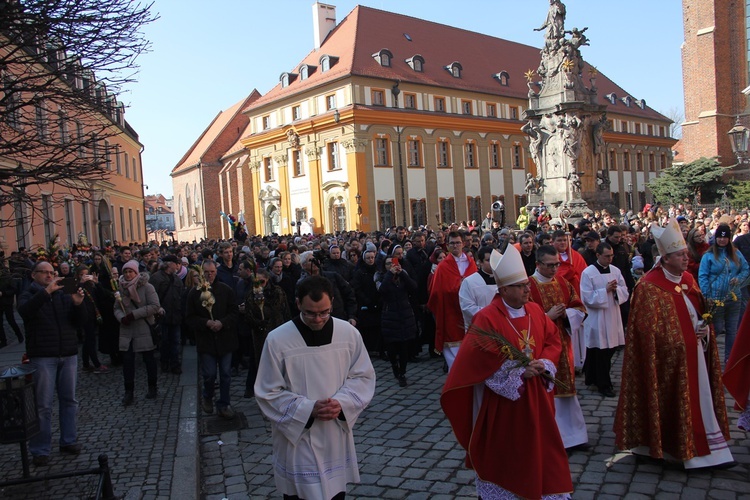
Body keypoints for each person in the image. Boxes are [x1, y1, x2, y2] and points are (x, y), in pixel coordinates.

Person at [441, 244, 573, 499]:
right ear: (503, 290)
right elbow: (476, 359)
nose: (527, 289)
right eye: (521, 286)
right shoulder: (487, 318)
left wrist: (544, 363)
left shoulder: (535, 310)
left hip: (538, 399)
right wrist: (516, 372)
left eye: (526, 284)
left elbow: (552, 340)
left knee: (542, 450)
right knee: (509, 455)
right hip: (505, 405)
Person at [614, 218, 734, 469]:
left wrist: (706, 332)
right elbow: (646, 332)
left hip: (696, 355)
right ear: (666, 257)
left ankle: (709, 447)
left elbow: (701, 314)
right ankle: (663, 447)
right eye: (680, 255)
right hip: (666, 362)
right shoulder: (648, 287)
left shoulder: (688, 280)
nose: (686, 259)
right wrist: (679, 342)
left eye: (686, 255)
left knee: (700, 399)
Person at [255, 276, 377, 499]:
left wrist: (340, 403)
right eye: (311, 313)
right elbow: (267, 391)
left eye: (325, 312)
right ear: (298, 303)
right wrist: (307, 409)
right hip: (297, 436)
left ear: (331, 301)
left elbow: (363, 376)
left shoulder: (348, 334)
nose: (319, 319)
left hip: (333, 432)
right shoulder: (278, 339)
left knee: (335, 493)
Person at [18, 261, 86, 466]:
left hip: (68, 353)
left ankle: (68, 440)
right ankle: (40, 449)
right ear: (34, 275)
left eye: (52, 273)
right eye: (45, 273)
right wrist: (46, 292)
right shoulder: (28, 295)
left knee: (69, 401)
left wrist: (78, 304)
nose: (50, 276)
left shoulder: (63, 294)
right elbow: (26, 312)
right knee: (43, 405)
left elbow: (79, 323)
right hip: (43, 355)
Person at [528, 244, 588, 450]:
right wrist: (547, 317)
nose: (554, 269)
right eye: (550, 265)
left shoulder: (563, 283)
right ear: (538, 264)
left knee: (567, 389)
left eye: (557, 265)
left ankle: (574, 437)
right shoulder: (528, 286)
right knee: (545, 392)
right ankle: (551, 438)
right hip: (540, 348)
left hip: (563, 343)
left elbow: (579, 306)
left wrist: (566, 314)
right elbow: (523, 320)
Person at [187, 260, 239, 419]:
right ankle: (207, 396)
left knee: (225, 374)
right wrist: (206, 323)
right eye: (207, 272)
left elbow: (234, 313)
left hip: (225, 339)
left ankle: (224, 403)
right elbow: (189, 318)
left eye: (212, 272)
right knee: (209, 374)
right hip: (206, 341)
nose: (210, 275)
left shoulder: (225, 290)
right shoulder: (194, 293)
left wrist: (222, 323)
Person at [580, 242, 628, 397]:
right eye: (607, 256)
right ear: (598, 255)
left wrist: (616, 291)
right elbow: (586, 297)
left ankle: (592, 377)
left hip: (612, 315)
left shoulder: (615, 270)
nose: (610, 259)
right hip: (597, 318)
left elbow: (624, 290)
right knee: (598, 350)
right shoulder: (588, 272)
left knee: (608, 349)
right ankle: (603, 384)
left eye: (612, 255)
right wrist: (605, 290)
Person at [698, 223, 749, 362]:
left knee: (732, 330)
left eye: (725, 237)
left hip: (734, 297)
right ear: (716, 238)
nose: (722, 240)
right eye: (720, 237)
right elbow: (703, 276)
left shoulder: (736, 253)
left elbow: (746, 269)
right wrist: (706, 294)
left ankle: (729, 359)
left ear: (729, 238)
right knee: (717, 328)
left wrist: (738, 279)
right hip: (715, 298)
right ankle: (713, 357)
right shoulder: (708, 256)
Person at [427, 231, 478, 368]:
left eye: (458, 243)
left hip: (469, 313)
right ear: (448, 245)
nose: (456, 246)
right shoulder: (443, 267)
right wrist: (458, 287)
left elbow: (478, 285)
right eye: (452, 243)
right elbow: (436, 293)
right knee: (456, 361)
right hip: (450, 312)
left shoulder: (471, 263)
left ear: (463, 244)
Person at [114, 260, 161, 406]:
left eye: (130, 272)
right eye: (125, 272)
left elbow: (154, 306)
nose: (128, 274)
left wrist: (134, 314)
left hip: (144, 328)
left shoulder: (147, 287)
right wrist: (122, 317)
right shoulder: (120, 288)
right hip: (127, 330)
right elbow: (116, 307)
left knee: (148, 359)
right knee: (127, 363)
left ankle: (152, 387)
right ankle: (129, 392)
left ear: (136, 272)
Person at [377, 256, 418, 386]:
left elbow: (413, 287)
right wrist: (390, 274)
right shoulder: (381, 277)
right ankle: (395, 365)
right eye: (388, 264)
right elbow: (382, 290)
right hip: (390, 315)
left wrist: (402, 274)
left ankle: (402, 372)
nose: (391, 265)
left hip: (404, 314)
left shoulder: (403, 275)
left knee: (404, 346)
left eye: (393, 263)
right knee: (392, 347)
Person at [149, 254, 185, 374]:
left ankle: (175, 364)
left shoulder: (177, 279)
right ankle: (164, 362)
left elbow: (181, 296)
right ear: (170, 264)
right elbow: (151, 297)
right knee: (164, 341)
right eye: (176, 263)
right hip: (162, 316)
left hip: (176, 315)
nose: (177, 266)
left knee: (175, 341)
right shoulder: (156, 278)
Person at [458, 246, 499, 332]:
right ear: (480, 262)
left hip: (500, 327)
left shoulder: (503, 279)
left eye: (494, 260)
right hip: (479, 330)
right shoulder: (469, 282)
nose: (492, 263)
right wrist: (492, 314)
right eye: (488, 260)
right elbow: (467, 308)